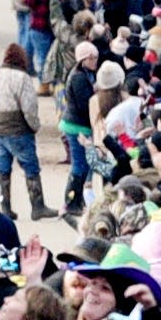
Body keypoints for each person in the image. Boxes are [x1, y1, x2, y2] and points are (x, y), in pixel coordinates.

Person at [0, 43, 56, 220]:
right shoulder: (22, 78)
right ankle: (38, 207)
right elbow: (29, 107)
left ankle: (5, 208)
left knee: (3, 169)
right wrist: (34, 126)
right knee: (31, 167)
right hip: (18, 130)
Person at [60, 41, 98, 216]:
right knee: (79, 165)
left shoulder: (83, 74)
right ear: (85, 59)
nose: (95, 60)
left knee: (81, 164)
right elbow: (85, 105)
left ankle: (75, 199)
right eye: (93, 58)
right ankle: (71, 202)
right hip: (77, 126)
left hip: (76, 124)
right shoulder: (79, 78)